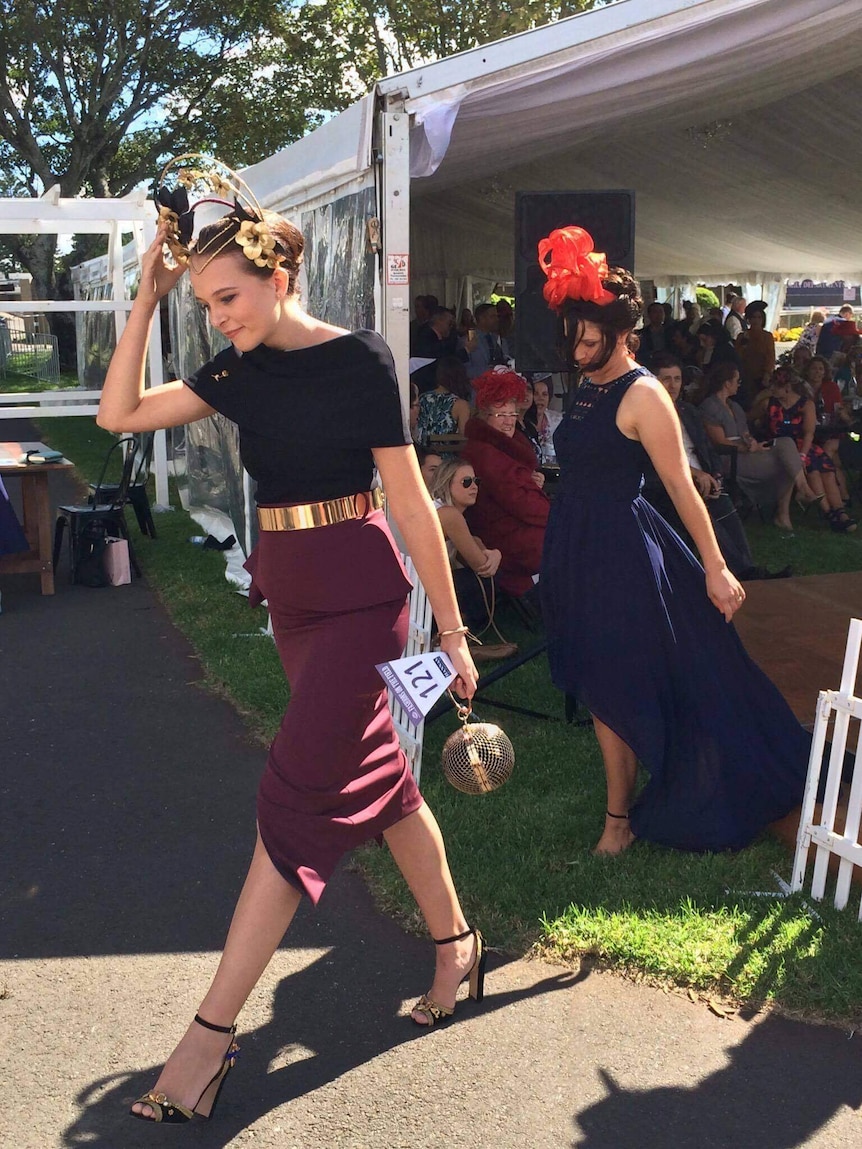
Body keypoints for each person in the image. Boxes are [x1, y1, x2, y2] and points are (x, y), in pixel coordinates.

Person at [97, 157, 486, 1124]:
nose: (219, 315)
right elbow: (119, 415)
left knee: (294, 795)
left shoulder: (359, 360)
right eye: (206, 303)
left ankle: (211, 1034)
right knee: (389, 788)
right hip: (292, 599)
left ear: (278, 273)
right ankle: (458, 945)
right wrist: (146, 303)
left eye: (228, 295)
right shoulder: (235, 371)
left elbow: (410, 503)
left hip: (361, 599)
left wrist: (455, 624)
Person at [536, 224, 809, 856]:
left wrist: (715, 567)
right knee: (602, 672)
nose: (575, 345)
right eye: (571, 333)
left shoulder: (644, 394)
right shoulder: (587, 383)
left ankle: (617, 822)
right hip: (576, 541)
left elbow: (683, 489)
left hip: (620, 550)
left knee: (616, 678)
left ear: (622, 331)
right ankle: (621, 808)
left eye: (587, 334)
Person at [646, 354, 787, 581]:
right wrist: (693, 475)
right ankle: (740, 571)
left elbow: (706, 449)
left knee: (723, 502)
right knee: (703, 513)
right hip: (668, 483)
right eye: (666, 379)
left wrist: (715, 475)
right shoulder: (646, 414)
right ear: (653, 381)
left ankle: (747, 567)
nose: (672, 385)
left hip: (701, 478)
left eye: (677, 379)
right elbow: (652, 459)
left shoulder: (688, 411)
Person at [460, 367, 550, 597]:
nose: (509, 422)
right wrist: (560, 516)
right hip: (503, 537)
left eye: (512, 414)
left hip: (505, 529)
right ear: (485, 416)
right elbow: (523, 503)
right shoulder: (489, 454)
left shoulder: (492, 448)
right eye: (501, 415)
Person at [699, 362, 816, 531]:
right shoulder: (710, 407)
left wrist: (752, 442)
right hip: (728, 458)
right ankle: (793, 502)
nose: (739, 384)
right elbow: (720, 442)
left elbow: (745, 433)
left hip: (746, 453)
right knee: (788, 463)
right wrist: (745, 447)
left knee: (786, 444)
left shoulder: (735, 406)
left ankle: (796, 497)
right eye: (737, 381)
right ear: (727, 383)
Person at [765, 368, 856, 533]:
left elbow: (808, 433)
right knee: (813, 470)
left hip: (802, 445)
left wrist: (803, 453)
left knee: (824, 468)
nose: (772, 389)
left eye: (775, 386)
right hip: (780, 446)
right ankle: (829, 513)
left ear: (787, 387)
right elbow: (750, 417)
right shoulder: (768, 403)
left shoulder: (806, 404)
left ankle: (840, 512)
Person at [428, 458, 503, 635]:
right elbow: (481, 565)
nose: (474, 487)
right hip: (423, 593)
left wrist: (479, 545)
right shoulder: (449, 515)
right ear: (446, 484)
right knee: (488, 581)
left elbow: (470, 551)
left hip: (419, 590)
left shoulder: (439, 509)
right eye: (466, 482)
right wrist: (497, 554)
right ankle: (463, 632)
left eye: (476, 481)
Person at [415, 355, 471, 444]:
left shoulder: (422, 398)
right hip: (448, 455)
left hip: (422, 454)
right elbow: (464, 439)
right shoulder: (461, 405)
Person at [735, 301, 775, 407]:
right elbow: (737, 357)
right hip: (745, 377)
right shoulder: (742, 336)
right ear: (749, 319)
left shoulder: (767, 336)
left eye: (759, 317)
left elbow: (770, 357)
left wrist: (767, 374)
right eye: (753, 317)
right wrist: (743, 345)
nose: (756, 320)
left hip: (761, 377)